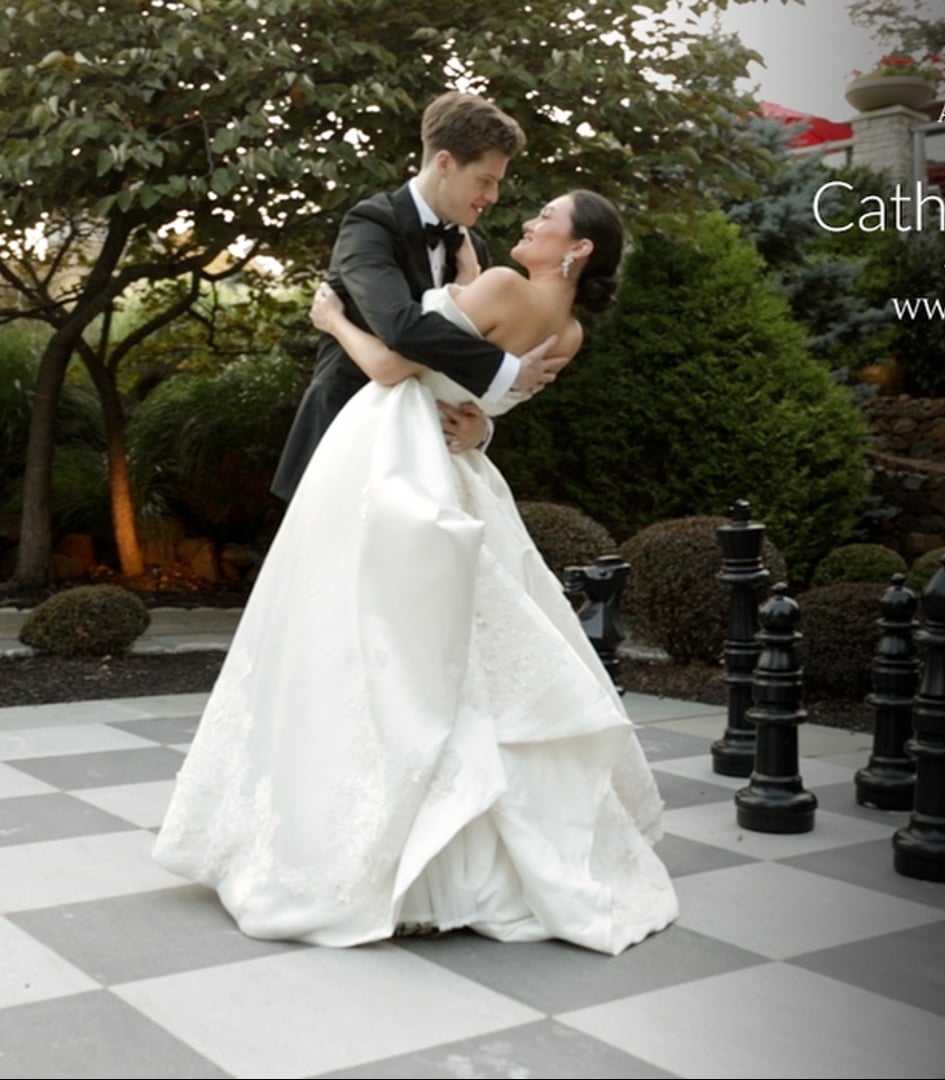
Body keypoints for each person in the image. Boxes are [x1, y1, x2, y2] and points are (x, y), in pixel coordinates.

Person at [151, 188, 679, 956]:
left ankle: (358, 840)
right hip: (457, 464)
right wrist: (486, 423)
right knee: (459, 651)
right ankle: (476, 851)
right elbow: (486, 395)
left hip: (392, 450)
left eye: (547, 217)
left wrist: (331, 320)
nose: (528, 219)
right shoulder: (567, 331)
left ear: (580, 247)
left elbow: (396, 364)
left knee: (359, 634)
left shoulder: (500, 287)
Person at [269, 91, 563, 502]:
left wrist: (482, 429)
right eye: (485, 180)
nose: (493, 197)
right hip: (347, 442)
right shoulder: (371, 225)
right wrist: (506, 370)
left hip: (428, 453)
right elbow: (399, 327)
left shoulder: (473, 251)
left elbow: (464, 361)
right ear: (444, 163)